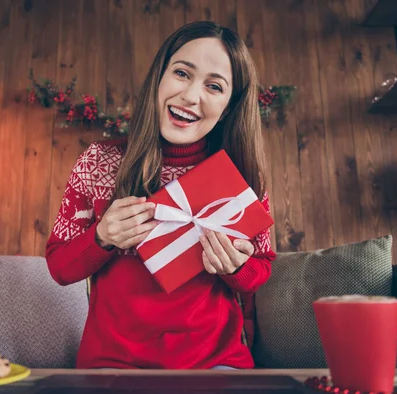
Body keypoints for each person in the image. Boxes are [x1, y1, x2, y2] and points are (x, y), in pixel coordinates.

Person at [45, 21, 276, 369]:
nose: (191, 95)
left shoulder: (241, 179)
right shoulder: (99, 162)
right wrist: (102, 237)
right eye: (182, 73)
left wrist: (237, 267)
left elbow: (260, 269)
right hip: (113, 365)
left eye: (214, 86)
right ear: (159, 78)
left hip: (215, 364)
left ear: (228, 106)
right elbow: (59, 267)